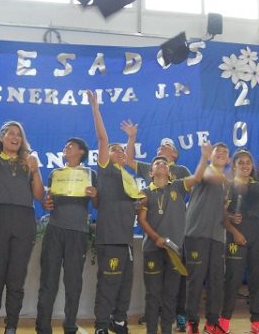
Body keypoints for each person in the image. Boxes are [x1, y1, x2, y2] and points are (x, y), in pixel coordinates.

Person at [0, 110, 44, 334]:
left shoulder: (28, 162)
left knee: (16, 279)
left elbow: (38, 195)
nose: (15, 137)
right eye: (10, 133)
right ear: (2, 137)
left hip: (23, 221)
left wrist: (35, 171)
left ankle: (11, 326)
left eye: (19, 134)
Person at [122, 125, 191, 332]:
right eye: (160, 147)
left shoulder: (181, 173)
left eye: (167, 146)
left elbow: (196, 183)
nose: (161, 148)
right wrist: (132, 138)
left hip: (175, 240)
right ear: (151, 172)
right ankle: (153, 326)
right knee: (154, 292)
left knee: (173, 290)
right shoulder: (149, 171)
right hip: (153, 242)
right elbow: (128, 160)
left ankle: (177, 318)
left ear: (175, 155)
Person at [138, 149, 209, 334]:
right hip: (152, 249)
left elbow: (197, 177)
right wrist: (156, 238)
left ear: (170, 172)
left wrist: (204, 157)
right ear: (151, 173)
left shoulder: (178, 186)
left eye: (165, 164)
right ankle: (152, 331)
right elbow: (142, 220)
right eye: (157, 164)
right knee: (153, 295)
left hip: (175, 251)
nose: (161, 165)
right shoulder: (144, 193)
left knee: (170, 296)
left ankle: (167, 331)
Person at [35, 137, 98, 334]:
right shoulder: (55, 173)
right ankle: (43, 326)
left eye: (70, 146)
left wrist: (95, 195)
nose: (66, 148)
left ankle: (70, 325)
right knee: (48, 280)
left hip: (78, 233)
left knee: (73, 282)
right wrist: (46, 204)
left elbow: (96, 205)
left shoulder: (90, 174)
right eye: (65, 146)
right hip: (54, 230)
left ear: (81, 152)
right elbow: (48, 201)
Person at [88, 91, 138, 334]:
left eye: (122, 151)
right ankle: (101, 325)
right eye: (114, 150)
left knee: (124, 286)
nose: (119, 153)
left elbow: (130, 158)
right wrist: (95, 107)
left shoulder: (128, 178)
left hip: (126, 240)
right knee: (108, 284)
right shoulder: (105, 170)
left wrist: (132, 138)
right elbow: (102, 137)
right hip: (109, 238)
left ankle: (118, 320)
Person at [219, 149, 259, 334]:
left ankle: (257, 321)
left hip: (258, 236)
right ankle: (224, 320)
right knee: (232, 280)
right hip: (237, 236)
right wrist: (234, 230)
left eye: (248, 163)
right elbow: (221, 214)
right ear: (234, 165)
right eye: (241, 162)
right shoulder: (228, 185)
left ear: (252, 166)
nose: (245, 165)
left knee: (258, 281)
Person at [183, 142, 229, 334]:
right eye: (218, 151)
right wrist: (204, 157)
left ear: (228, 159)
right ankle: (191, 322)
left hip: (218, 237)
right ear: (211, 156)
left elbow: (224, 209)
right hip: (197, 234)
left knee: (216, 281)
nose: (222, 154)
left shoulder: (226, 181)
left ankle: (212, 322)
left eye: (225, 153)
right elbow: (202, 177)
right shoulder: (206, 171)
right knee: (196, 279)